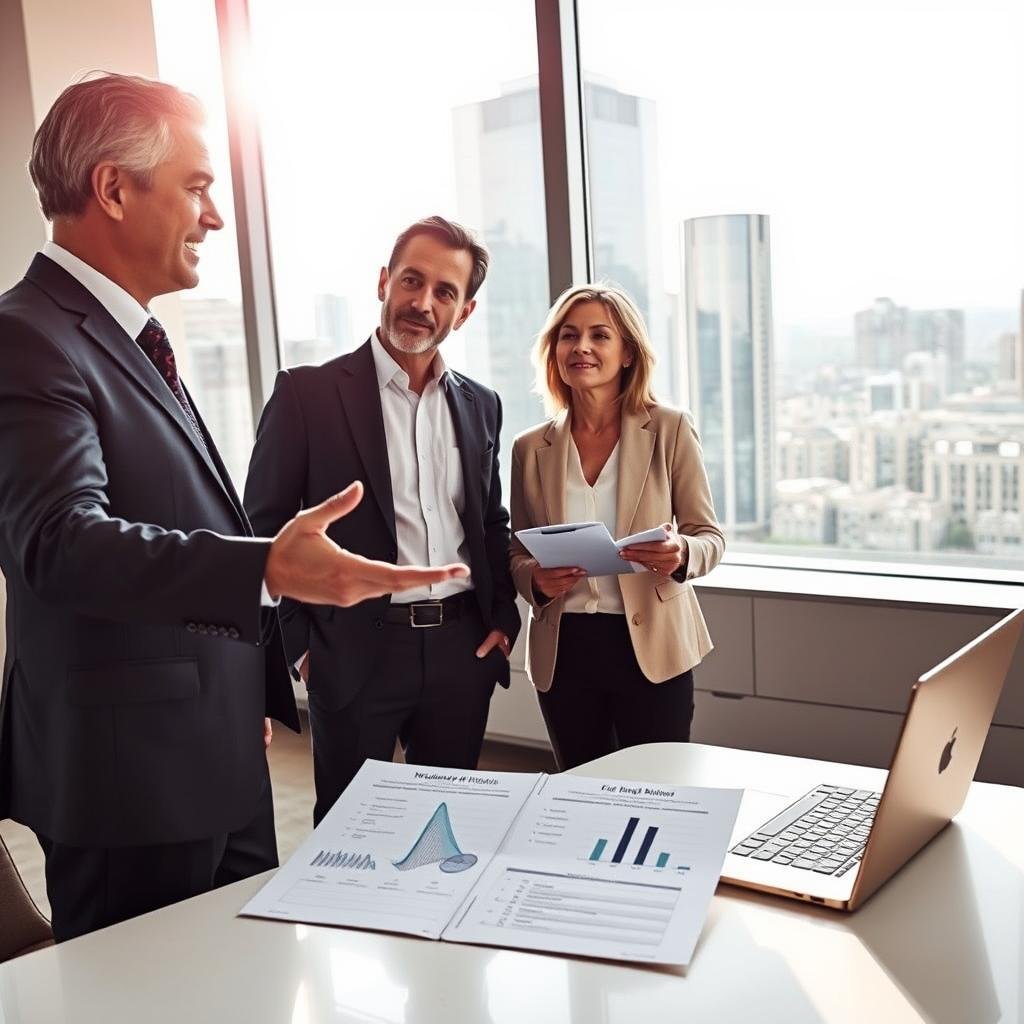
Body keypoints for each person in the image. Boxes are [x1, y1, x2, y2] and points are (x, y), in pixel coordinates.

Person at [0, 74, 466, 942]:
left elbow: (165, 520)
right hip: (127, 783)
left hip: (212, 756)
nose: (214, 217)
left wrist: (238, 692)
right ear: (112, 188)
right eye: (198, 186)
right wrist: (266, 565)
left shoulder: (131, 338)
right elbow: (59, 542)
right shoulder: (26, 335)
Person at [244, 216, 521, 825]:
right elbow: (262, 530)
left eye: (445, 292)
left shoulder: (482, 405)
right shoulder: (305, 395)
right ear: (383, 283)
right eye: (412, 281)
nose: (423, 302)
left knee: (447, 830)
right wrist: (301, 647)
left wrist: (502, 617)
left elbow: (489, 518)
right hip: (352, 649)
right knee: (348, 833)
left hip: (460, 650)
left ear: (465, 311)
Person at [509, 284, 725, 769]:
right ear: (554, 351)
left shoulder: (669, 428)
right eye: (568, 336)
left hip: (650, 643)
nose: (581, 347)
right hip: (566, 648)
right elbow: (516, 550)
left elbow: (709, 536)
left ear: (627, 352)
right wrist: (533, 580)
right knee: (581, 791)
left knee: (657, 792)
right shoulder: (529, 447)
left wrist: (681, 554)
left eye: (599, 335)